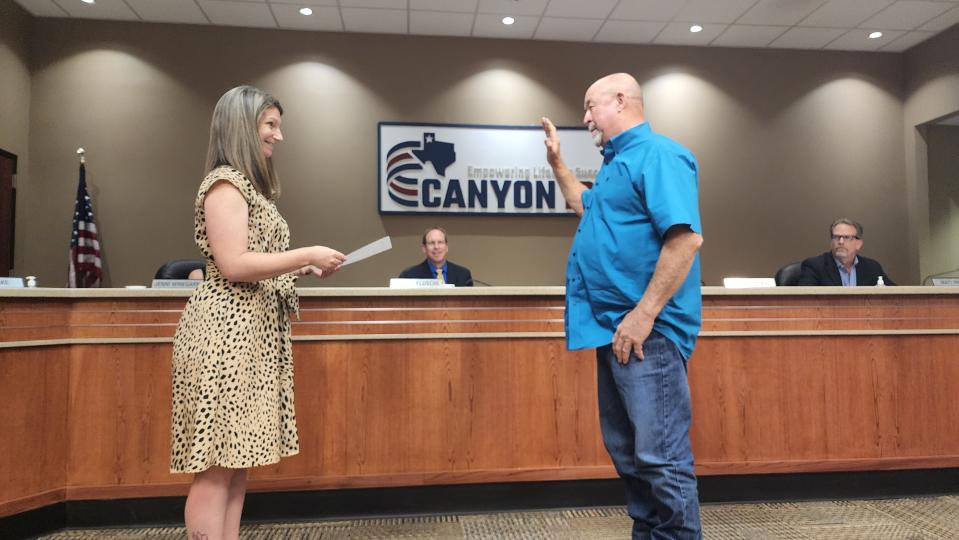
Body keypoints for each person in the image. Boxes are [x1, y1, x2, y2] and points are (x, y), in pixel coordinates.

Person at [170, 85, 346, 540]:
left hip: (253, 340)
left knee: (237, 461)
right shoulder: (225, 184)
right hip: (224, 339)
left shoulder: (251, 188)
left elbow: (256, 259)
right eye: (270, 125)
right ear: (242, 128)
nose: (278, 136)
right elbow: (232, 264)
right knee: (215, 468)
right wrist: (302, 251)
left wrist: (300, 266)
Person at [542, 73, 704, 539]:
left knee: (661, 457)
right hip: (612, 331)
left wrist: (644, 313)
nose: (586, 117)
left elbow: (686, 239)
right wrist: (557, 164)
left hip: (646, 334)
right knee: (628, 455)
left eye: (591, 106)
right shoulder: (617, 164)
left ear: (621, 100)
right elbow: (582, 205)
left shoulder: (659, 155)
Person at [797, 219, 895, 286]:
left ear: (859, 244)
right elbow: (805, 301)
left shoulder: (872, 267)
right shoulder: (814, 266)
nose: (841, 242)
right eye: (836, 237)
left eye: (847, 237)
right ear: (831, 242)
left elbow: (895, 294)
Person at [398, 227, 473, 286]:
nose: (436, 247)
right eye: (431, 243)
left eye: (440, 242)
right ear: (424, 248)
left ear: (446, 247)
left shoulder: (463, 275)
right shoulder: (409, 276)